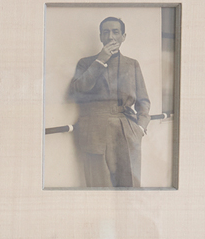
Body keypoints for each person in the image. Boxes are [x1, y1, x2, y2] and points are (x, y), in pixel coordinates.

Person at [65, 15, 152, 188]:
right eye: (106, 32)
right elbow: (78, 90)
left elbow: (143, 100)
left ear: (123, 36)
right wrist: (100, 61)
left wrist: (140, 128)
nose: (110, 37)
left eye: (115, 32)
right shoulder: (86, 63)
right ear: (100, 37)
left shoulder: (132, 64)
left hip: (127, 129)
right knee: (98, 184)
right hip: (94, 129)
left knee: (129, 184)